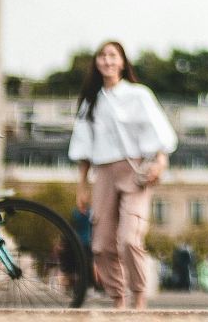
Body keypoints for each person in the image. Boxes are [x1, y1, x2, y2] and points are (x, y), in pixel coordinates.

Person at [72, 41, 177, 309]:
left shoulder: (138, 94)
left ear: (122, 62)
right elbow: (83, 146)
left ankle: (139, 297)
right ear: (96, 63)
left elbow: (158, 132)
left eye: (112, 56)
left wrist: (160, 163)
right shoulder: (91, 101)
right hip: (103, 173)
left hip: (134, 172)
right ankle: (118, 299)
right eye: (102, 56)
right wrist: (82, 186)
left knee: (130, 238)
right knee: (101, 244)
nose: (107, 61)